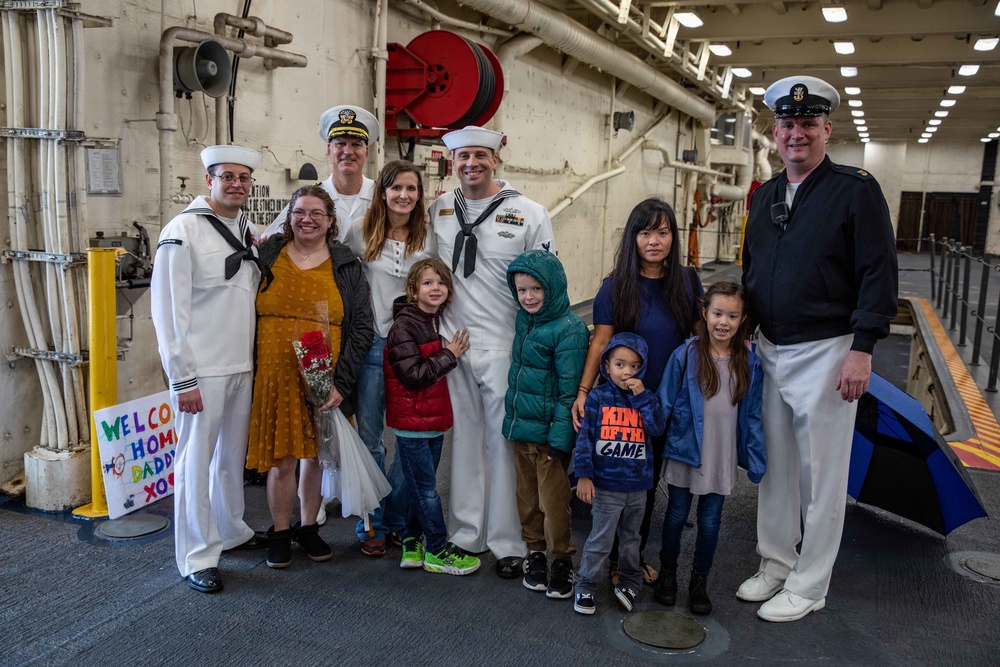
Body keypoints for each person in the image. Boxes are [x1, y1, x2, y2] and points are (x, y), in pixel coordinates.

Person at [739, 75, 898, 622]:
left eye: (808, 124)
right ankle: (776, 563)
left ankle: (810, 584)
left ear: (827, 128)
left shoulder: (855, 190)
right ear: (775, 132)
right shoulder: (763, 197)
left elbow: (879, 272)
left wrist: (864, 347)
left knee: (822, 475)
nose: (796, 134)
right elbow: (754, 268)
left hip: (829, 350)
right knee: (776, 467)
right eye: (787, 124)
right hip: (770, 346)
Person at [430, 125, 556, 578]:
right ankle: (466, 532)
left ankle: (508, 539)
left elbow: (547, 284)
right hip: (455, 342)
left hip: (506, 343)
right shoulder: (440, 209)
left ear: (495, 159)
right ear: (452, 162)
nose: (471, 164)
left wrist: (539, 348)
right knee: (463, 440)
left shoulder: (529, 212)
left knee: (504, 444)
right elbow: (430, 274)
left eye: (480, 155)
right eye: (462, 157)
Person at [151, 145, 270, 593]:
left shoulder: (245, 227)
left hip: (240, 364)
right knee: (195, 462)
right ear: (209, 181)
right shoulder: (183, 230)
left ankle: (231, 529)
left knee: (228, 461)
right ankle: (197, 556)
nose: (237, 184)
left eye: (244, 177)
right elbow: (167, 312)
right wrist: (182, 377)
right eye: (227, 177)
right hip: (202, 370)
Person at [571, 197, 702, 586]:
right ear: (633, 238)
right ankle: (611, 559)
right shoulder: (616, 286)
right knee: (615, 484)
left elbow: (701, 337)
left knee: (645, 483)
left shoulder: (688, 282)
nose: (654, 241)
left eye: (662, 232)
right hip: (621, 406)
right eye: (645, 232)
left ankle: (633, 555)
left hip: (663, 402)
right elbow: (600, 342)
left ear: (672, 237)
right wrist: (582, 391)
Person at [249, 184, 375, 569]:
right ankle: (281, 531)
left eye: (316, 213)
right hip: (274, 376)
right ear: (289, 217)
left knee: (315, 458)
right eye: (300, 212)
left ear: (330, 221)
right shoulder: (267, 253)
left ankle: (308, 527)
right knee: (282, 461)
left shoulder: (346, 263)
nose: (307, 219)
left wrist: (341, 383)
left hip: (323, 379)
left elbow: (361, 328)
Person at [653, 280, 766, 615]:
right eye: (718, 313)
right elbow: (665, 402)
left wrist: (757, 458)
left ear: (742, 319)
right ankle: (668, 574)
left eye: (732, 316)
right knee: (675, 516)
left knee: (712, 521)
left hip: (721, 454)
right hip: (686, 450)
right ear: (705, 312)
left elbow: (755, 415)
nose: (723, 322)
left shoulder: (749, 361)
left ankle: (699, 581)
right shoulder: (686, 354)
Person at [343, 160, 436, 557]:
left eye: (412, 189)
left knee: (407, 438)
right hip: (372, 344)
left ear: (419, 195)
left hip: (410, 349)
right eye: (396, 187)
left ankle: (397, 518)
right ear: (382, 191)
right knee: (370, 440)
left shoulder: (428, 237)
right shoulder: (359, 230)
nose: (404, 195)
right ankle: (371, 522)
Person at [383, 258, 480, 575]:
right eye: (427, 283)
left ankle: (412, 539)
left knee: (417, 485)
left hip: (432, 420)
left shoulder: (435, 322)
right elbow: (413, 376)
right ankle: (438, 549)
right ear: (413, 290)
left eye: (440, 282)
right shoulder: (404, 327)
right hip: (412, 424)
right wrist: (449, 353)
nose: (435, 288)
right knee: (426, 489)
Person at [502, 250, 590, 599]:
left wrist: (559, 440)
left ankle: (561, 559)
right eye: (522, 290)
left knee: (554, 504)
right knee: (527, 499)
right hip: (521, 431)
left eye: (536, 289)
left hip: (550, 439)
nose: (528, 297)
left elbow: (569, 393)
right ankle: (535, 552)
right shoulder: (524, 321)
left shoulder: (570, 330)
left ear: (552, 288)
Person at [572, 333, 666, 615]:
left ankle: (629, 582)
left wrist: (641, 397)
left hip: (638, 486)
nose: (627, 372)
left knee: (631, 539)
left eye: (635, 366)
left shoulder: (646, 397)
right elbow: (585, 439)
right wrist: (584, 476)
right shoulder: (598, 397)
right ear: (607, 366)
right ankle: (585, 585)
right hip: (607, 485)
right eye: (620, 365)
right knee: (600, 538)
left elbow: (657, 428)